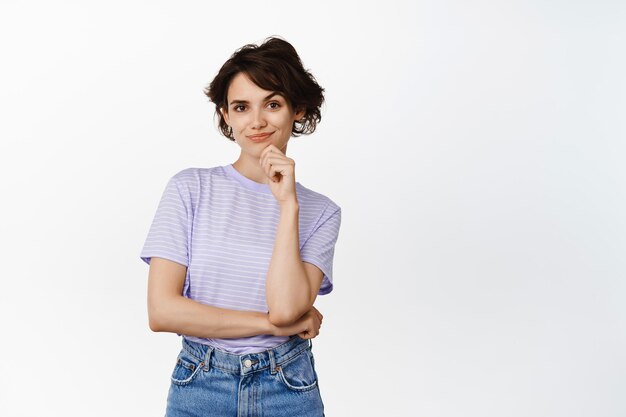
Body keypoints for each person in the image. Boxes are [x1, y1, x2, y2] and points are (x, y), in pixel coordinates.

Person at [139, 36, 342, 417]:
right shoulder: (190, 189)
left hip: (287, 386)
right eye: (241, 107)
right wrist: (273, 326)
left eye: (274, 104)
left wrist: (287, 206)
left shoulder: (320, 211)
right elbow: (162, 311)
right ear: (226, 115)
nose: (258, 121)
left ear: (297, 110)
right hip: (201, 382)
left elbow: (285, 309)